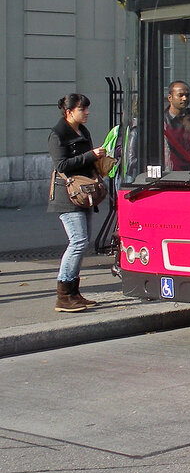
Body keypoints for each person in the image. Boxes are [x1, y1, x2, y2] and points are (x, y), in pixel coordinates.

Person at [48, 93, 106, 312]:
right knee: (78, 241)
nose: (87, 112)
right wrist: (91, 155)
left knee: (83, 241)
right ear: (69, 112)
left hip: (84, 193)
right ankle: (63, 295)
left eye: (87, 108)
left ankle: (73, 293)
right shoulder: (57, 134)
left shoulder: (82, 130)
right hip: (67, 196)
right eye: (83, 109)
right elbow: (62, 165)